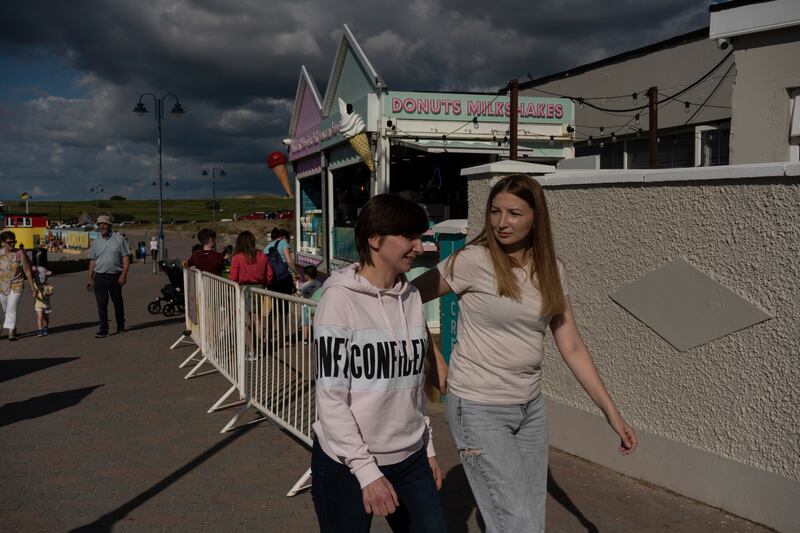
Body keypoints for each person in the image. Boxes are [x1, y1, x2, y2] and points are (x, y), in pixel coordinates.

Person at [412, 174, 638, 533]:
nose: (502, 222)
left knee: (529, 518)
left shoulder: (551, 269)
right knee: (519, 523)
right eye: (496, 212)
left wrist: (612, 413)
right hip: (478, 408)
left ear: (536, 217)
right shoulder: (472, 260)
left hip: (530, 409)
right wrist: (434, 357)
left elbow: (573, 346)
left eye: (514, 213)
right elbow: (406, 298)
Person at [311, 194, 446, 533]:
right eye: (410, 237)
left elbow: (413, 386)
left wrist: (426, 446)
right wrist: (367, 472)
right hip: (348, 464)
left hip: (411, 459)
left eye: (421, 237)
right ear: (374, 239)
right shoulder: (339, 300)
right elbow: (331, 399)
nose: (419, 246)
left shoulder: (412, 296)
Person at [87, 215, 131, 338]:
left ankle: (121, 325)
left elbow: (126, 258)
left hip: (115, 276)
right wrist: (90, 278)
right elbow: (92, 261)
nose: (102, 226)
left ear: (110, 225)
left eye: (104, 224)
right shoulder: (95, 242)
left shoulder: (119, 239)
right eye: (99, 224)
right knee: (101, 303)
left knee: (117, 302)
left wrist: (124, 275)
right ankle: (103, 329)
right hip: (99, 277)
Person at [0, 231, 36, 341]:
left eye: (13, 242)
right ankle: (13, 327)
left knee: (12, 307)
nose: (12, 244)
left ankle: (11, 333)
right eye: (9, 242)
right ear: (3, 243)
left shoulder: (20, 254)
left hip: (17, 284)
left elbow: (27, 270)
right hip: (2, 285)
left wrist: (32, 286)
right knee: (6, 308)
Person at [263, 228, 297, 295]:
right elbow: (289, 261)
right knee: (285, 302)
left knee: (275, 302)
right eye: (288, 241)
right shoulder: (283, 242)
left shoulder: (265, 248)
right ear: (283, 237)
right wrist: (296, 272)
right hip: (284, 278)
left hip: (272, 280)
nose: (288, 243)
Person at [299, 265, 323, 338]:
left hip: (306, 306)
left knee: (305, 323)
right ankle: (316, 336)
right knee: (315, 322)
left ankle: (305, 338)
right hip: (315, 306)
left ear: (306, 276)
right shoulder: (319, 283)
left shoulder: (304, 285)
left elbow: (301, 293)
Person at [32, 265, 54, 336]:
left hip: (46, 304)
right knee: (39, 316)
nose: (47, 277)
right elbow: (33, 293)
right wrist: (34, 293)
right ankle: (40, 330)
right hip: (38, 304)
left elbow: (51, 291)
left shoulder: (47, 284)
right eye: (46, 276)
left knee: (46, 318)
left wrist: (48, 293)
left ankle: (46, 327)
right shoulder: (35, 285)